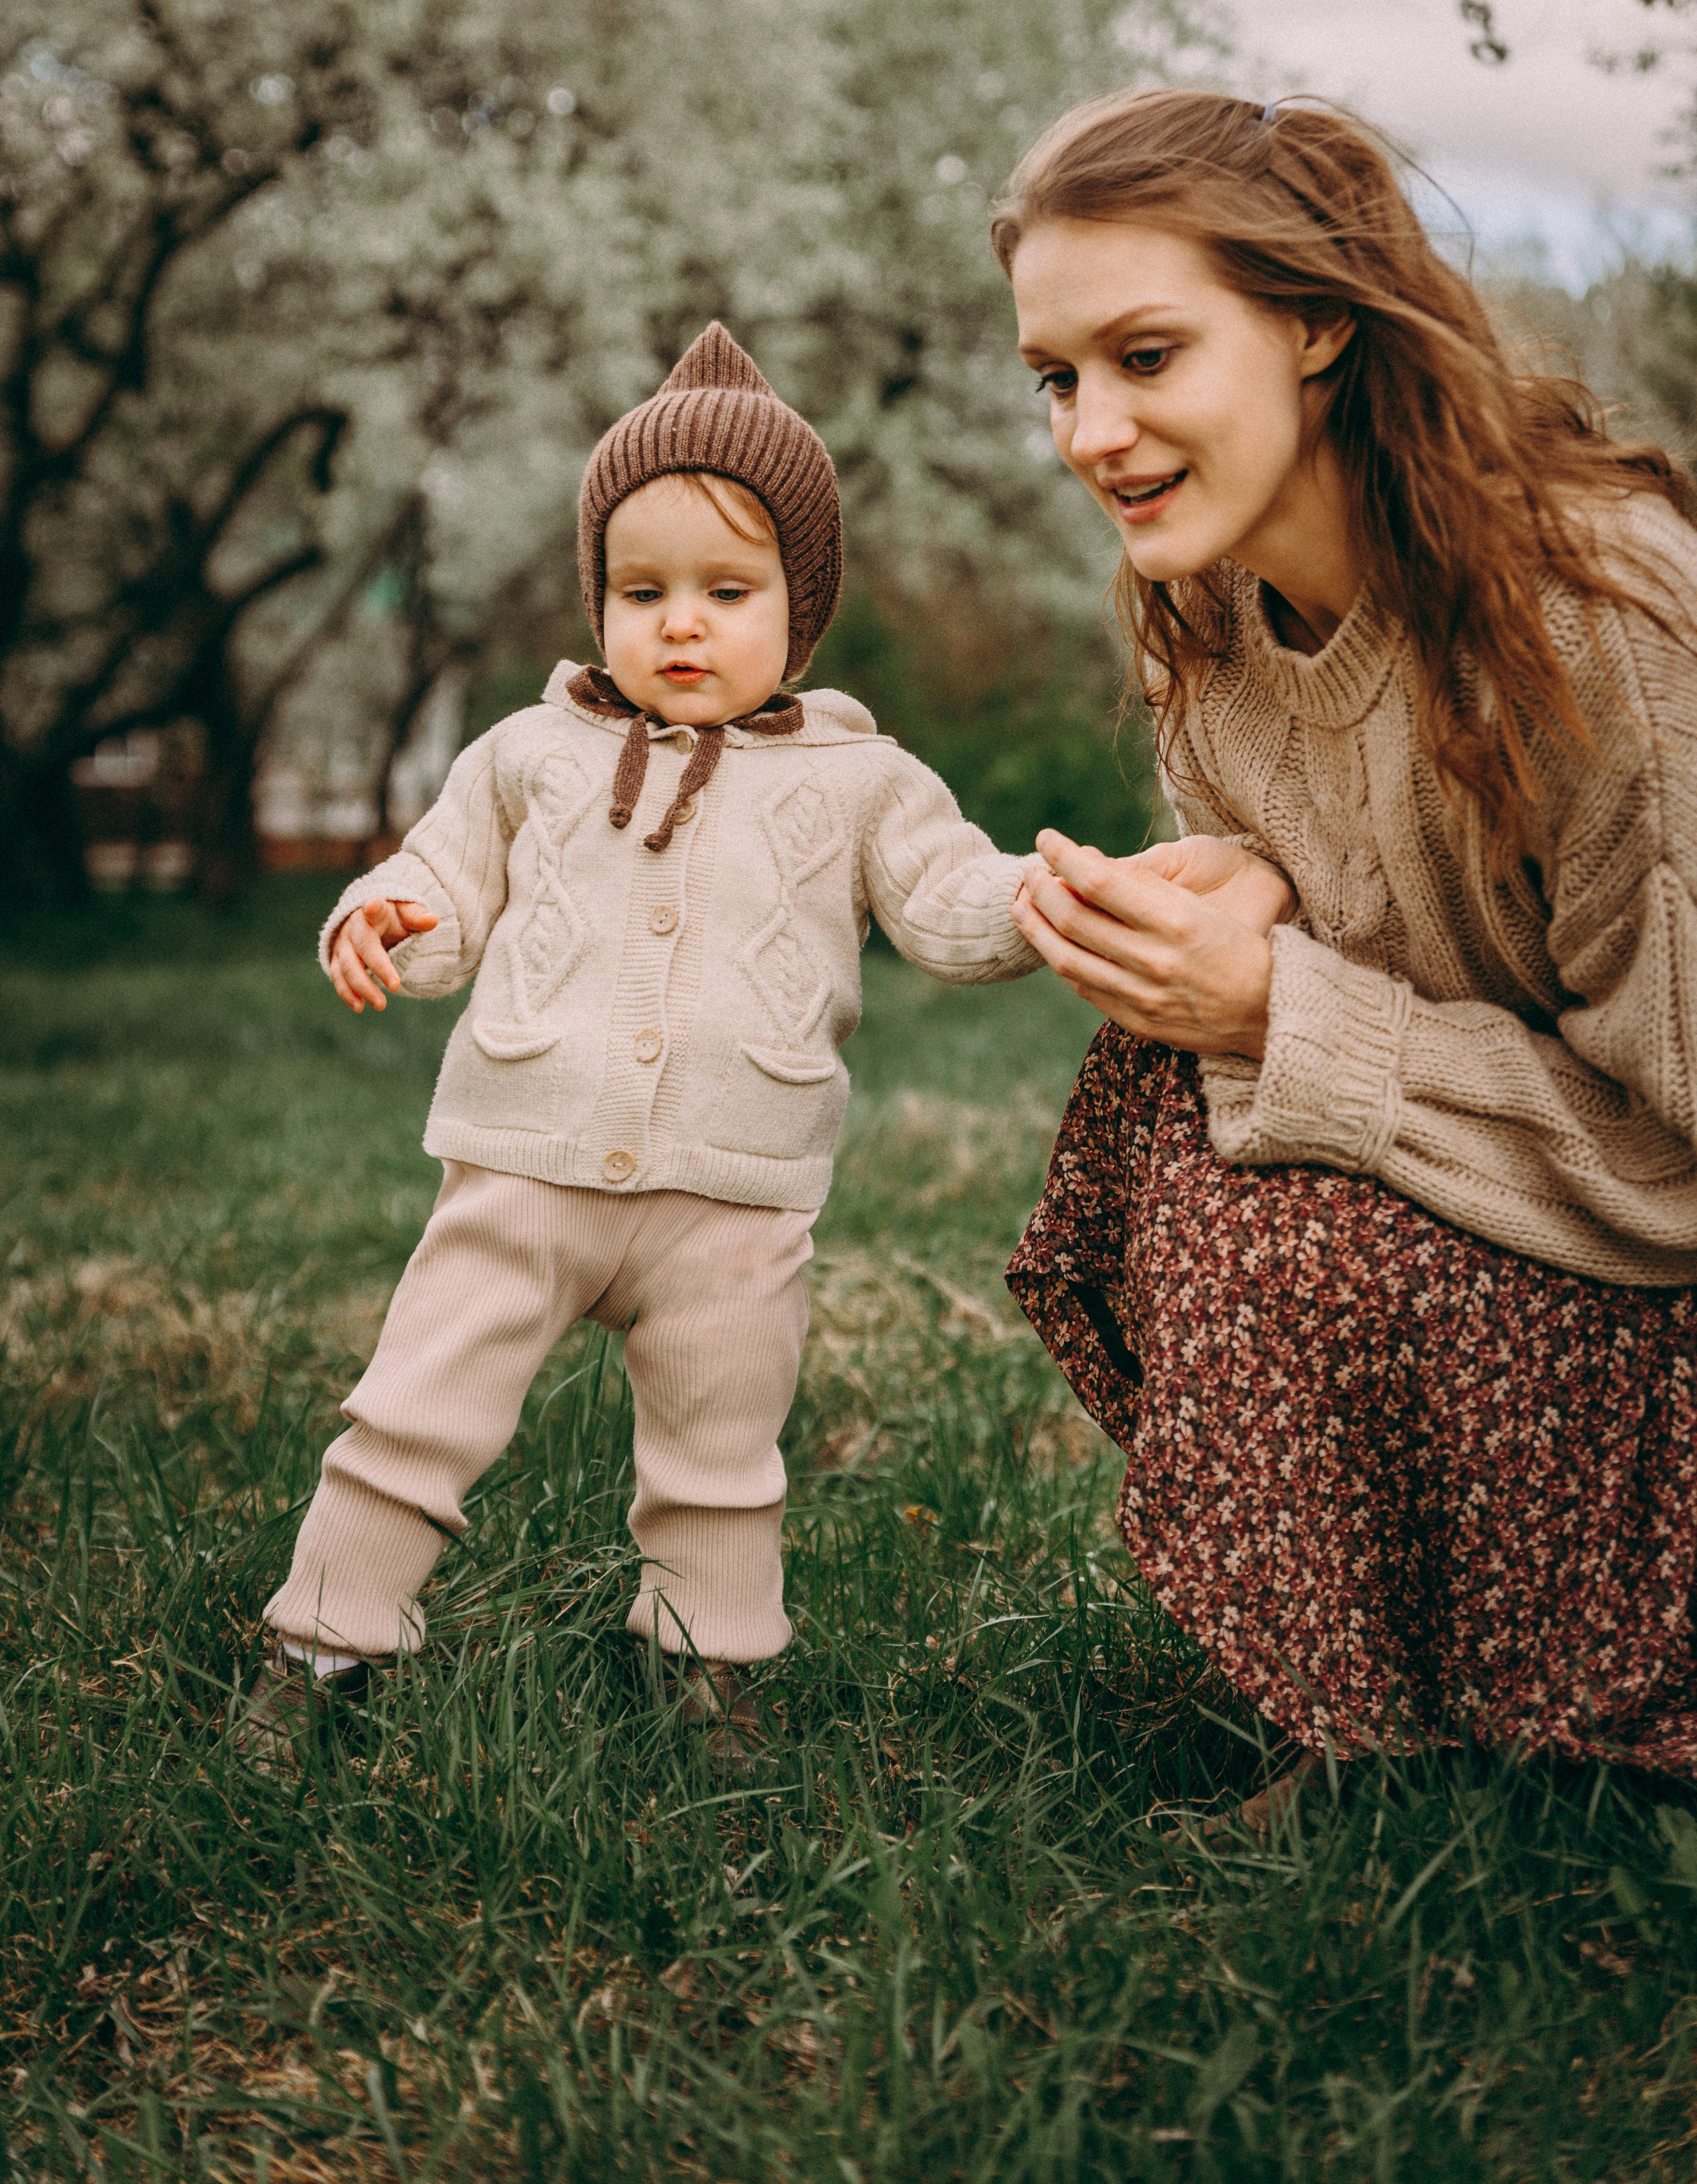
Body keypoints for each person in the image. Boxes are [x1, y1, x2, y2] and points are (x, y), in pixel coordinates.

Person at [996, 90, 1697, 1819]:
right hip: (1545, 1251)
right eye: (1059, 378)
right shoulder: (1217, 645)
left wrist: (1292, 1010)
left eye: (1148, 355)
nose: (1094, 430)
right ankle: (1388, 1715)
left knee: (1243, 1119)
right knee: (1161, 1106)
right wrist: (1246, 902)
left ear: (1318, 323)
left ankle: (1592, 1680)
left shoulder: (1596, 615)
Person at [235, 324, 1037, 1771]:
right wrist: (385, 918)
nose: (679, 625)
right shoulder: (525, 755)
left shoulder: (862, 778)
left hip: (735, 1200)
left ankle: (709, 1678)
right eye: (639, 589)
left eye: (726, 592)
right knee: (413, 1412)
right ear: (592, 595)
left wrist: (1043, 897)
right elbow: (440, 889)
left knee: (721, 1458)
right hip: (519, 1174)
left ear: (801, 609)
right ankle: (318, 1650)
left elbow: (950, 905)